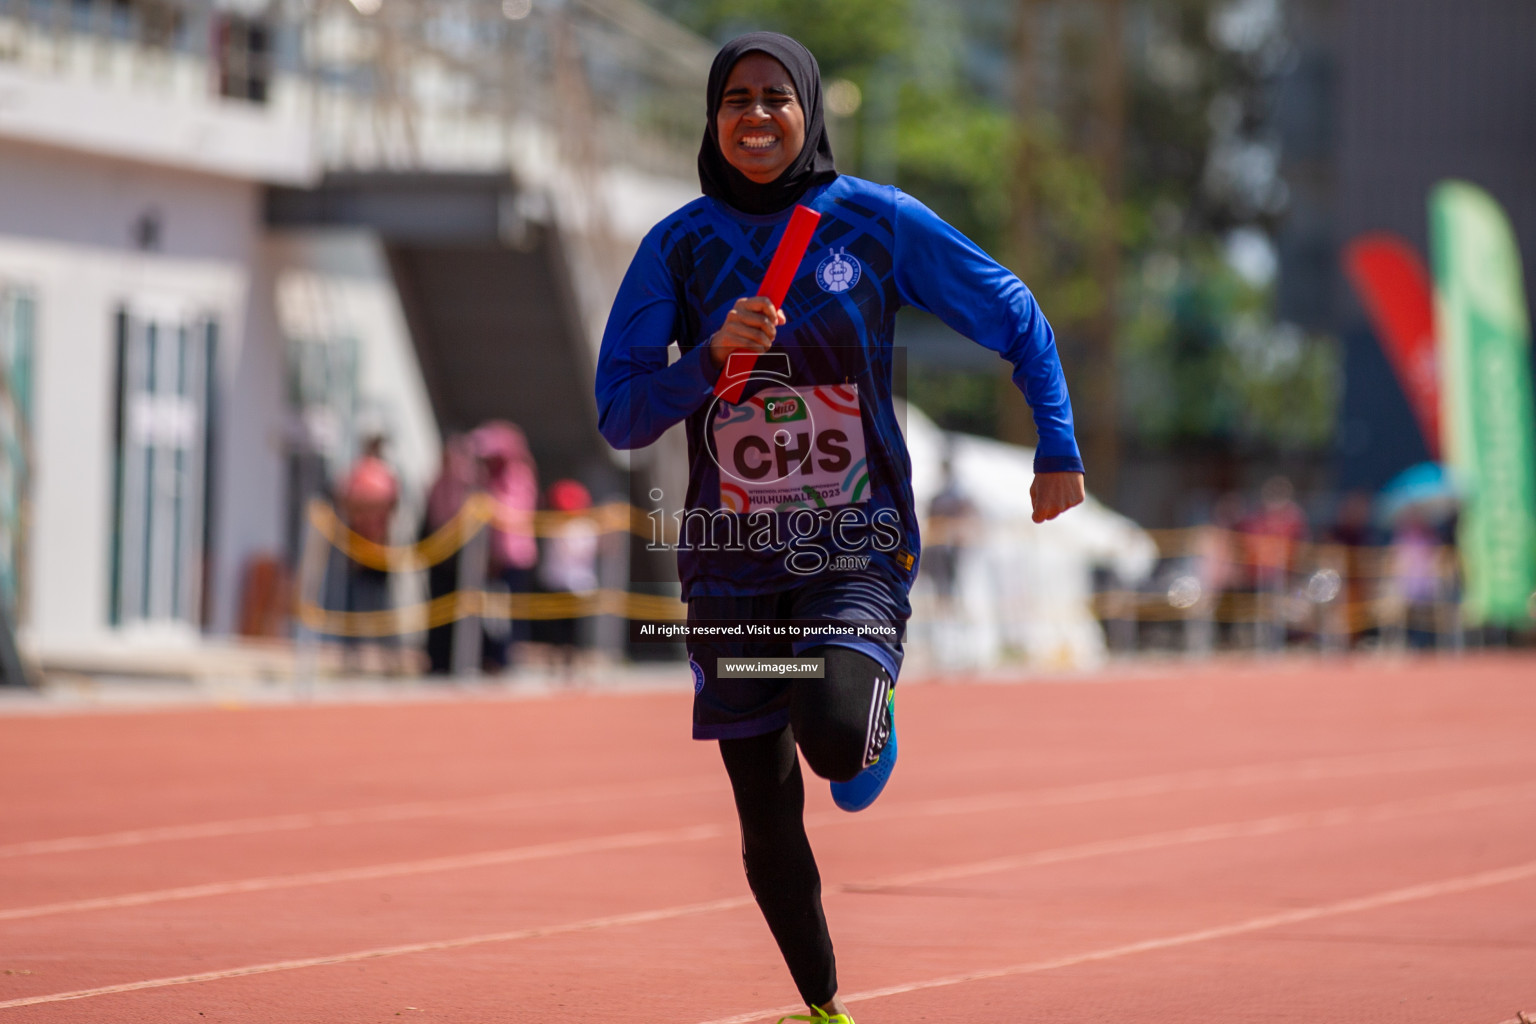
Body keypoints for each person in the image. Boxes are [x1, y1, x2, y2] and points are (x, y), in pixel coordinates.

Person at [594, 32, 1084, 1024]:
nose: (757, 115)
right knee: (765, 809)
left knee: (829, 725)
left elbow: (1015, 310)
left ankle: (870, 721)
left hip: (852, 544)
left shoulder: (873, 223)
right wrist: (706, 361)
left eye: (776, 96)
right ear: (713, 116)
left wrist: (1057, 446)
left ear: (809, 110)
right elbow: (621, 413)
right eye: (736, 98)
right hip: (731, 567)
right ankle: (821, 1007)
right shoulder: (676, 248)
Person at [472, 421, 538, 672]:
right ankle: (491, 657)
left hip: (513, 557)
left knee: (509, 613)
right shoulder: (489, 479)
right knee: (490, 611)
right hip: (491, 557)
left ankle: (505, 659)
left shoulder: (519, 475)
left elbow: (514, 515)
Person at [337, 434, 400, 672]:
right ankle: (352, 658)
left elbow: (392, 504)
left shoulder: (386, 473)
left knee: (382, 604)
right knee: (355, 604)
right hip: (358, 545)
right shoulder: (358, 472)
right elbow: (346, 501)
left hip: (380, 545)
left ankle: (388, 659)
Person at [420, 433, 478, 675]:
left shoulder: (469, 483)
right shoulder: (438, 483)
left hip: (461, 558)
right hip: (439, 558)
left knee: (461, 609)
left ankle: (460, 660)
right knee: (437, 610)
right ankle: (437, 660)